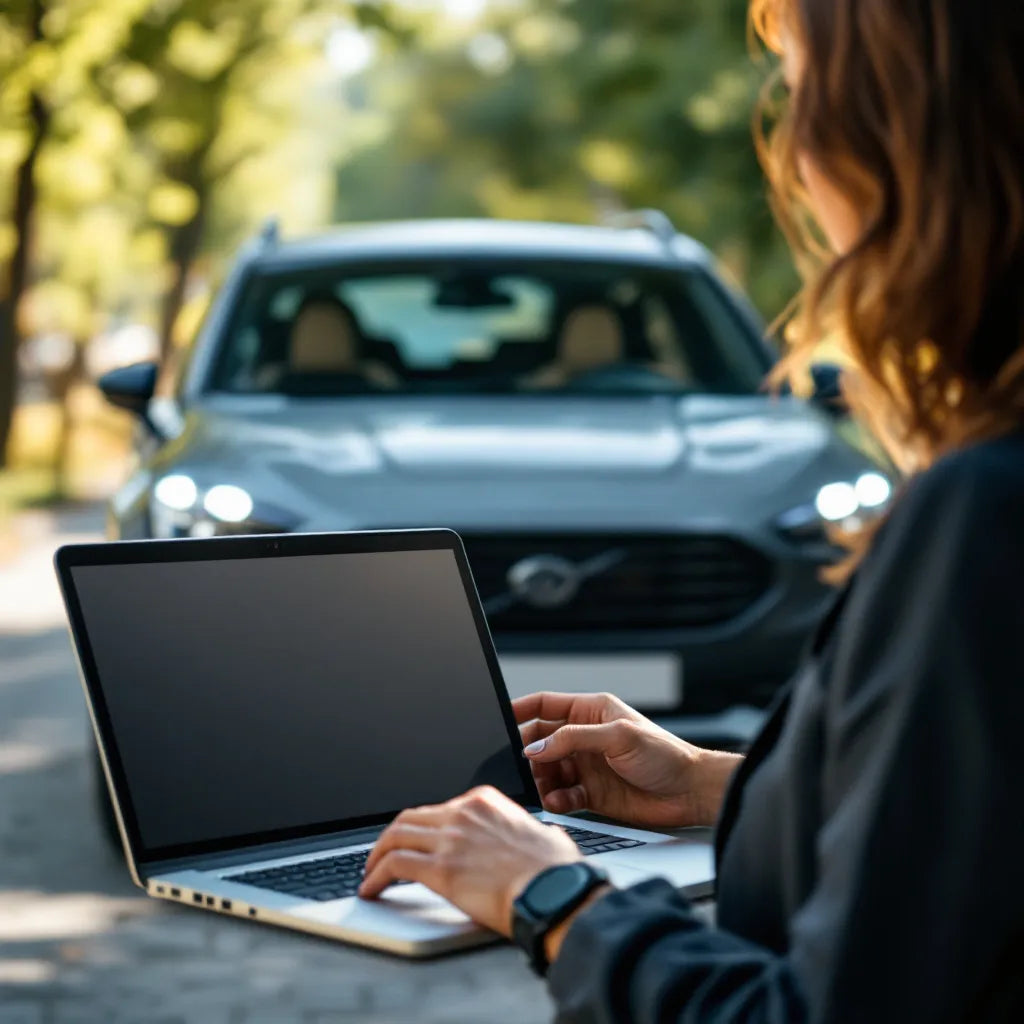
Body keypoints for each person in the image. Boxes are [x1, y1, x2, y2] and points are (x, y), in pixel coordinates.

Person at [359, 0, 1024, 1018]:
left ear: (892, 146)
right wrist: (719, 785)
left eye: (804, 102)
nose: (794, 157)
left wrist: (551, 894)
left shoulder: (984, 510)